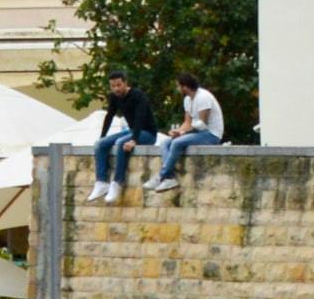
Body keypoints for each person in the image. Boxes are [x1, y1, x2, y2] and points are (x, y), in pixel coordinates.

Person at [151, 72, 225, 191]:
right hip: (197, 133)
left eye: (178, 86)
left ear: (184, 86)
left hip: (211, 134)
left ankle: (161, 176)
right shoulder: (188, 100)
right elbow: (187, 122)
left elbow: (202, 123)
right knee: (165, 143)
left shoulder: (203, 97)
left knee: (176, 143)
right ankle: (169, 178)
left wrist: (183, 134)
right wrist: (178, 131)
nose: (178, 89)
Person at [90, 70, 155, 201]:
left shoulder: (138, 96)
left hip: (147, 133)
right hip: (132, 131)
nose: (116, 89)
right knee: (100, 145)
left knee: (120, 143)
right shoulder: (114, 97)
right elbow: (109, 116)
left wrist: (134, 140)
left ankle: (118, 182)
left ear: (125, 83)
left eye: (119, 85)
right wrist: (103, 136)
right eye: (113, 86)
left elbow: (139, 118)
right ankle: (101, 182)